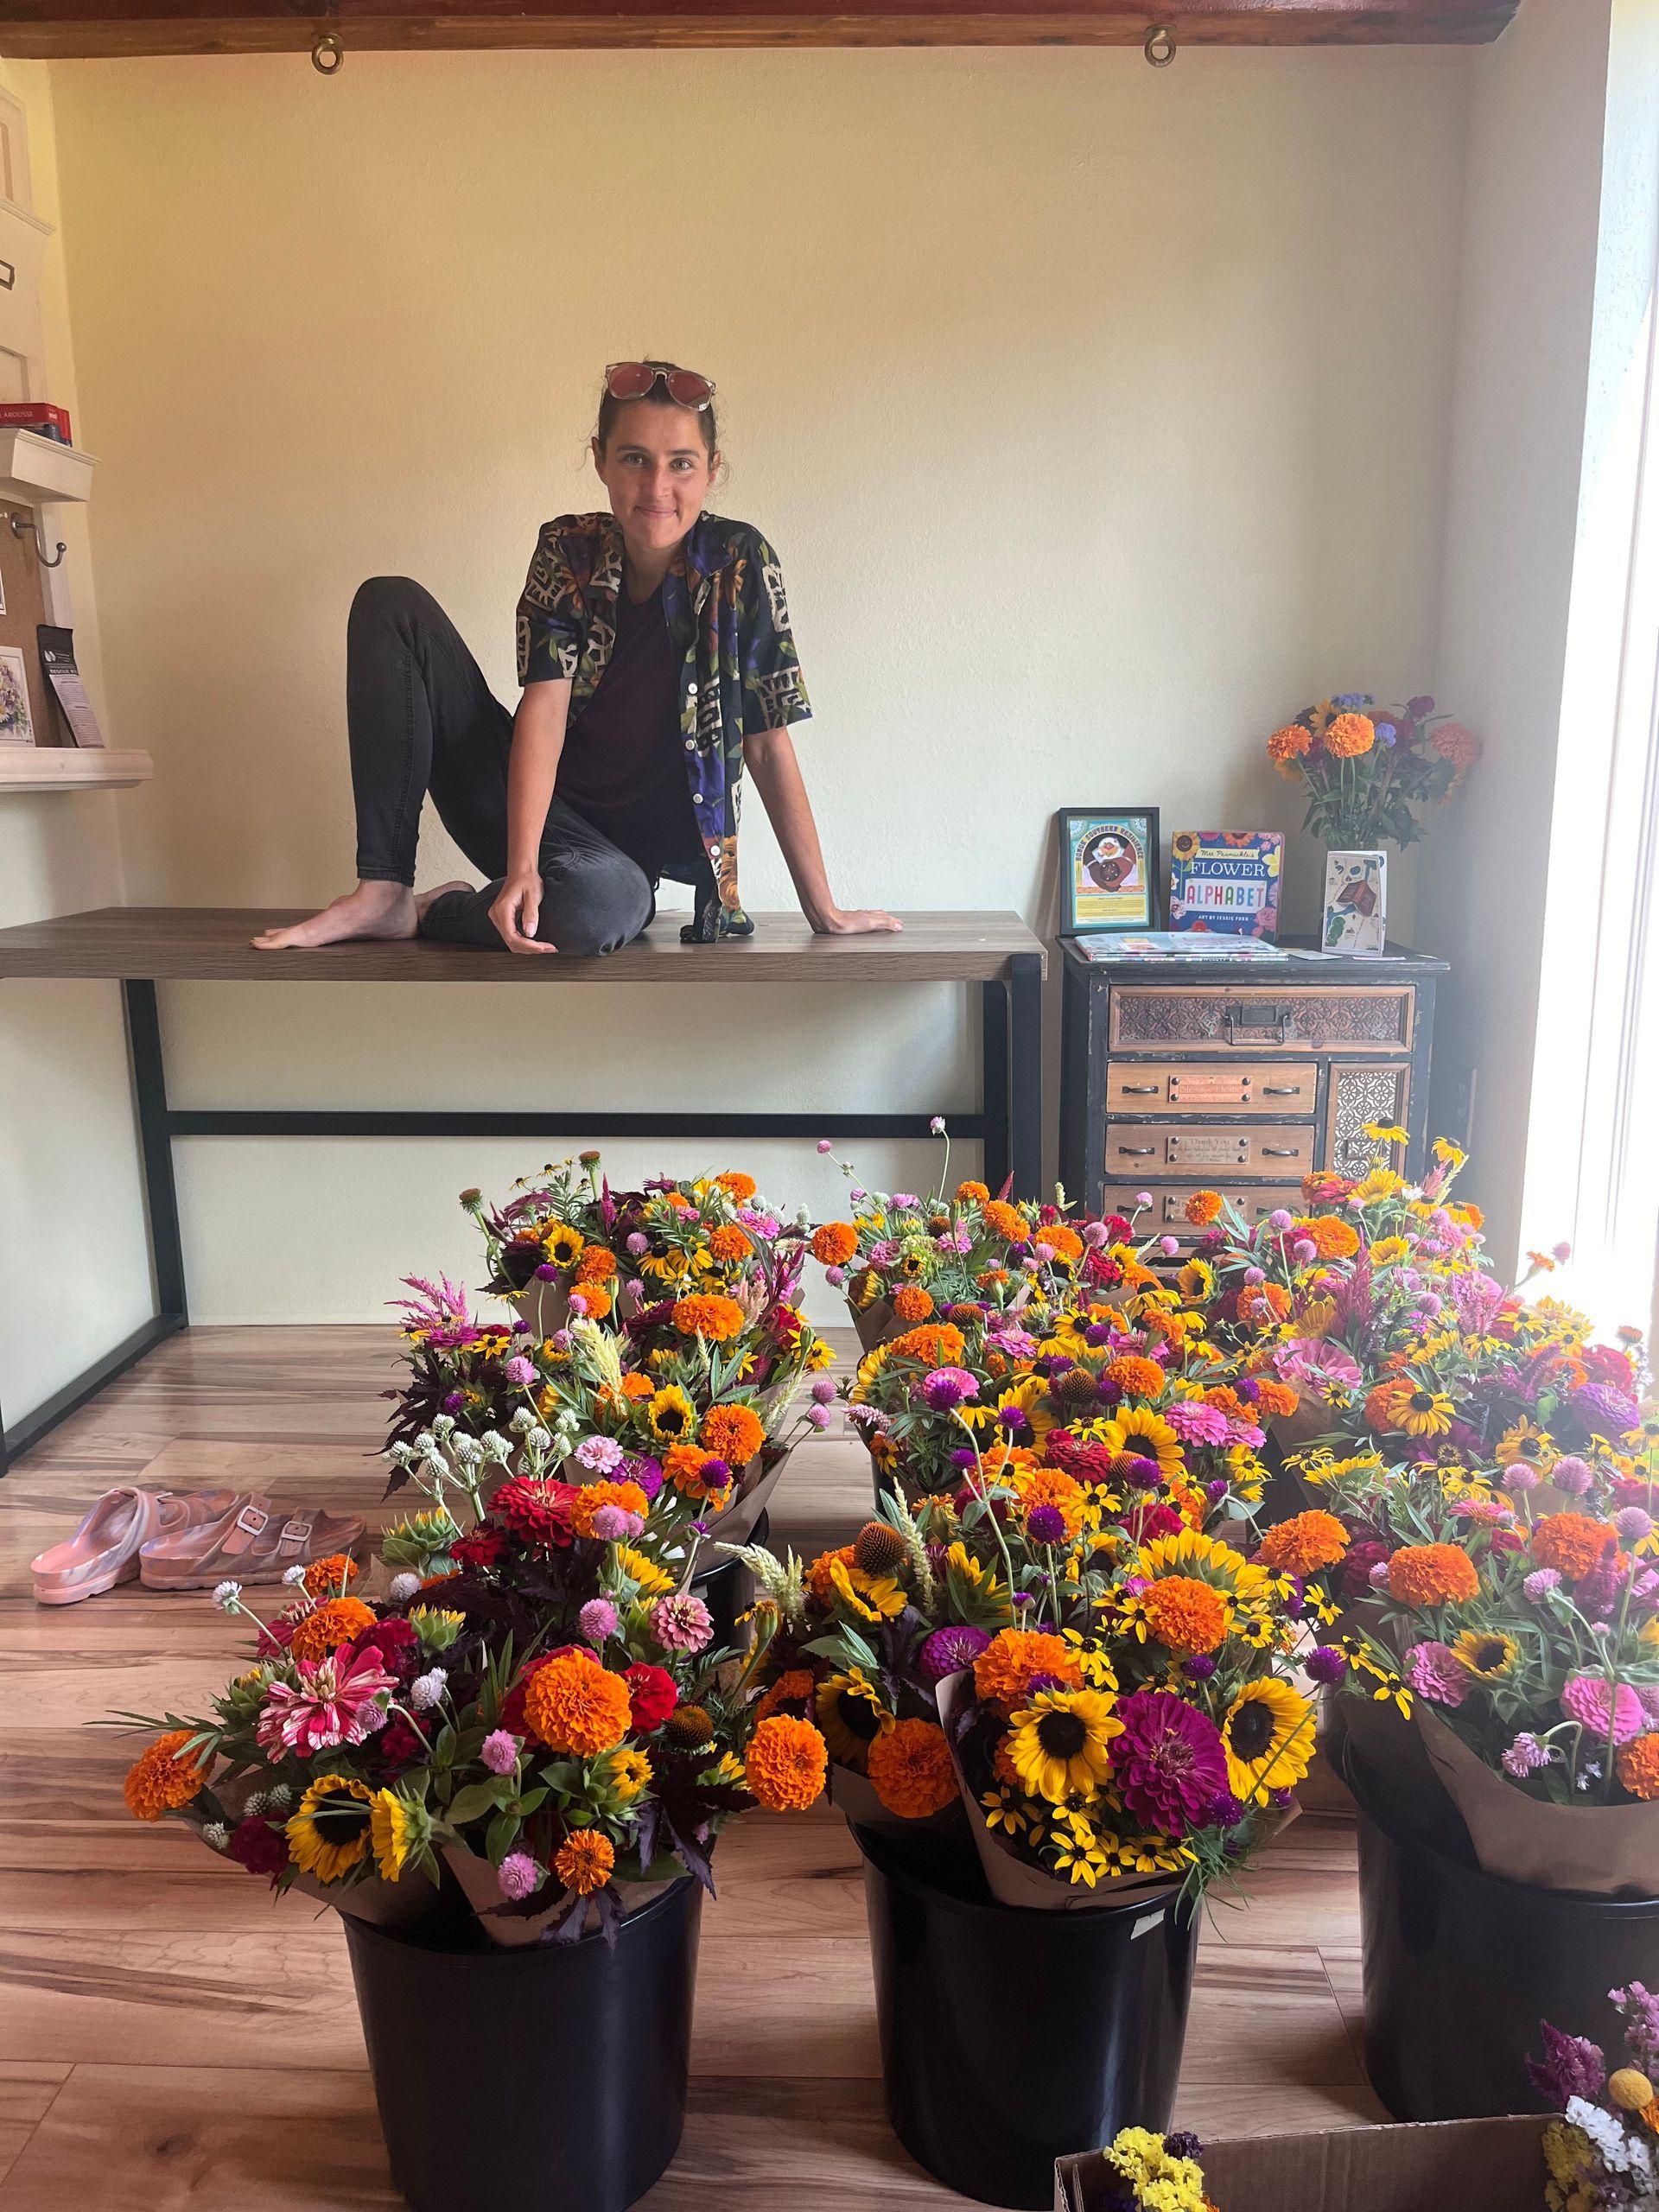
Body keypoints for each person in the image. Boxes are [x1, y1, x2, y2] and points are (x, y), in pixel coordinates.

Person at [253, 359, 899, 955]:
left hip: (614, 866)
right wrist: (525, 863)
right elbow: (546, 708)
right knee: (390, 604)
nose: (657, 486)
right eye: (635, 459)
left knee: (594, 910)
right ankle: (385, 889)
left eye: (681, 463)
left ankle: (436, 914)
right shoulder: (568, 550)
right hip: (519, 808)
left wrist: (826, 911)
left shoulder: (739, 564)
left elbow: (766, 742)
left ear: (711, 469)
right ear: (600, 460)